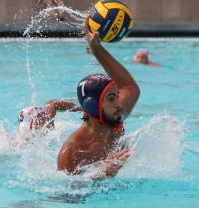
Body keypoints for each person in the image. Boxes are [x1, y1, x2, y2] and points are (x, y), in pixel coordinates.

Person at [57, 17, 140, 178]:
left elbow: (130, 87)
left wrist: (96, 48)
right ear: (92, 106)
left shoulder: (114, 118)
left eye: (116, 96)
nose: (118, 103)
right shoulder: (72, 151)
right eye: (111, 98)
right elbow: (64, 197)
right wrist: (101, 175)